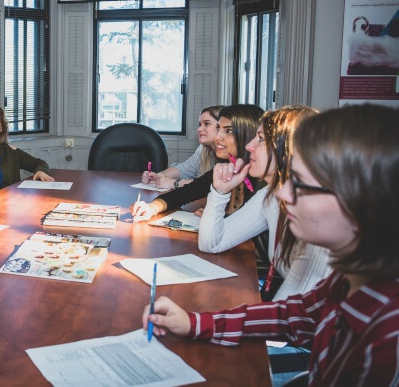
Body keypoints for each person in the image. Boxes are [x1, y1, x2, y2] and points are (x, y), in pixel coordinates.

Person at [142, 104, 399, 385]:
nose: (285, 192)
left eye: (304, 183)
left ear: (365, 200)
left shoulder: (387, 334)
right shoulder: (345, 282)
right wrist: (195, 323)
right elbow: (292, 315)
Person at [199, 105, 330, 300]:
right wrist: (220, 192)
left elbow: (293, 312)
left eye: (260, 139)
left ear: (289, 148)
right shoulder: (271, 195)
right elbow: (211, 243)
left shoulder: (319, 214)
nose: (249, 146)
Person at [132, 104, 264, 221]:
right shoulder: (224, 168)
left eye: (228, 131)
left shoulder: (259, 180)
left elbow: (245, 225)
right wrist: (151, 208)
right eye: (218, 129)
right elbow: (183, 194)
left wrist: (218, 217)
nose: (217, 137)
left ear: (249, 134)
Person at [0, 103, 54, 199]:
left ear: (1, 127)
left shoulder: (11, 151)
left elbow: (39, 163)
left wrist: (41, 171)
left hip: (12, 204)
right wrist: (1, 196)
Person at [143, 105, 223, 189]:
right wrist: (159, 176)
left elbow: (211, 186)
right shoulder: (204, 149)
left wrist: (174, 183)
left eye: (206, 124)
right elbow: (184, 169)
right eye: (200, 124)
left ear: (221, 126)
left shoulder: (229, 155)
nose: (199, 129)